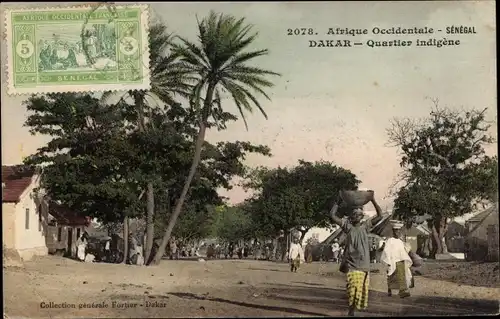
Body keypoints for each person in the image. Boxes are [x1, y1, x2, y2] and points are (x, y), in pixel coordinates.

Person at [329, 190, 383, 317]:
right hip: (352, 264)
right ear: (352, 218)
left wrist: (373, 200)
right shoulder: (348, 227)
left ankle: (352, 310)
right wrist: (337, 202)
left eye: (359, 214)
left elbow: (380, 215)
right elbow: (332, 215)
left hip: (364, 265)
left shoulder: (366, 227)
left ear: (362, 217)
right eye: (355, 214)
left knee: (360, 292)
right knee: (352, 290)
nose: (357, 216)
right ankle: (351, 311)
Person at [380, 221, 413, 298]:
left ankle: (402, 291)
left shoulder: (400, 241)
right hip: (392, 261)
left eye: (399, 231)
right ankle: (389, 290)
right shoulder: (390, 240)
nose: (397, 233)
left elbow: (404, 250)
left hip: (400, 260)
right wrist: (388, 261)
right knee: (391, 275)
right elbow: (386, 251)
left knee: (402, 276)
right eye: (396, 231)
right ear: (393, 232)